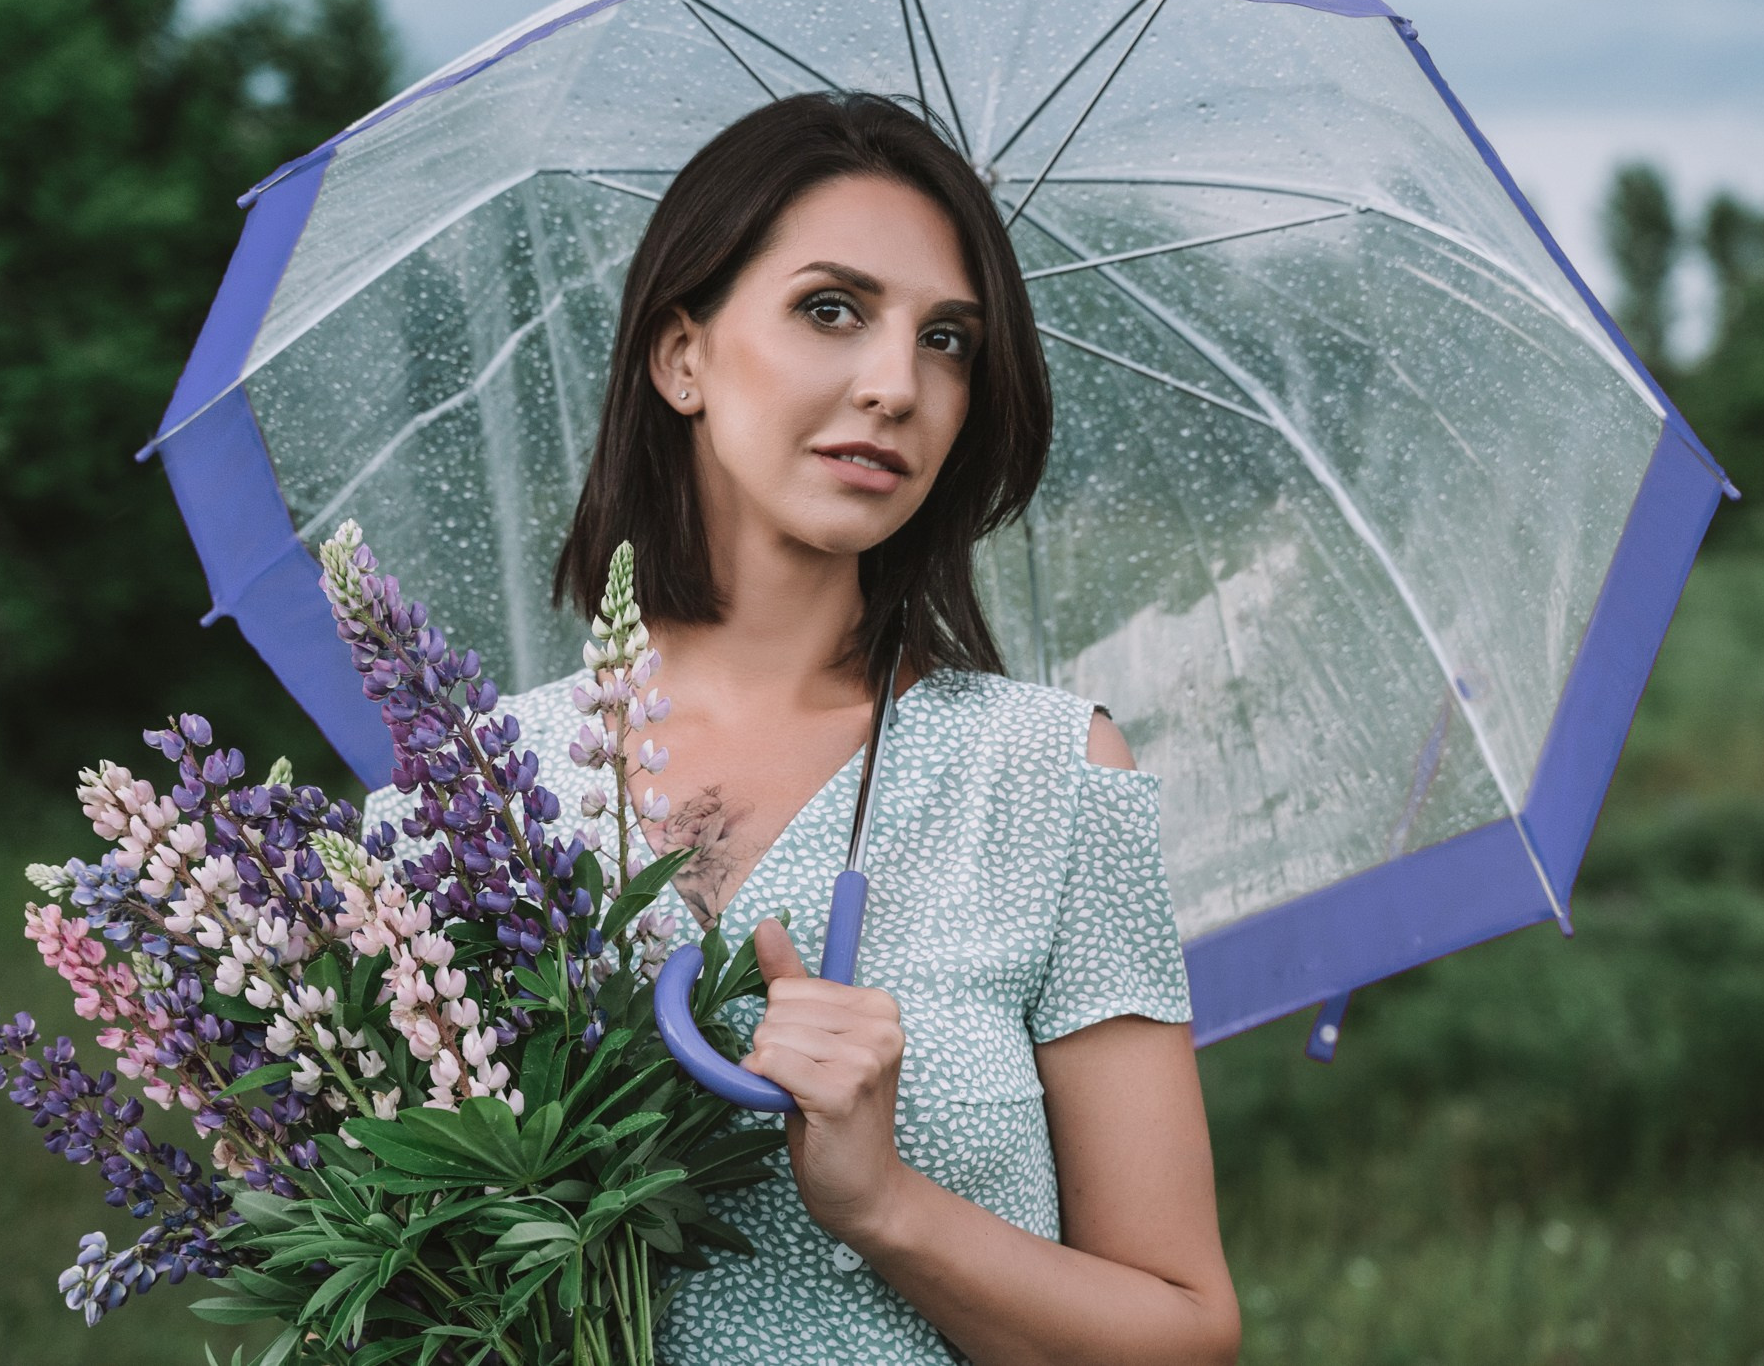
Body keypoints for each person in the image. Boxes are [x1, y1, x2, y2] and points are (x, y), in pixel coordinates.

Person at [528, 92, 1237, 1364]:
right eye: (831, 309)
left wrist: (885, 1204)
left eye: (948, 339)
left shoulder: (1048, 777)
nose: (896, 385)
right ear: (681, 355)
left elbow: (1181, 1333)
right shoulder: (476, 796)